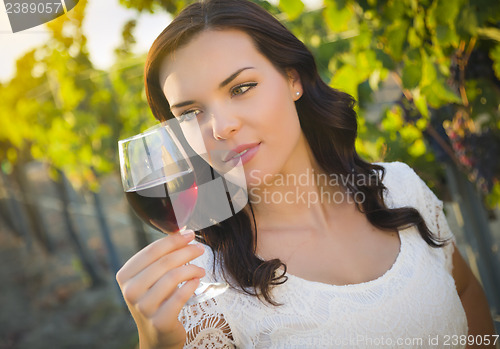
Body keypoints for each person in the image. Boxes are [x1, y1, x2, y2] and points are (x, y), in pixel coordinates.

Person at [116, 0, 497, 348]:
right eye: (189, 113)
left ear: (293, 80)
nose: (221, 127)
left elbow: (465, 294)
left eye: (241, 87)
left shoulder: (398, 187)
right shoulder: (202, 286)